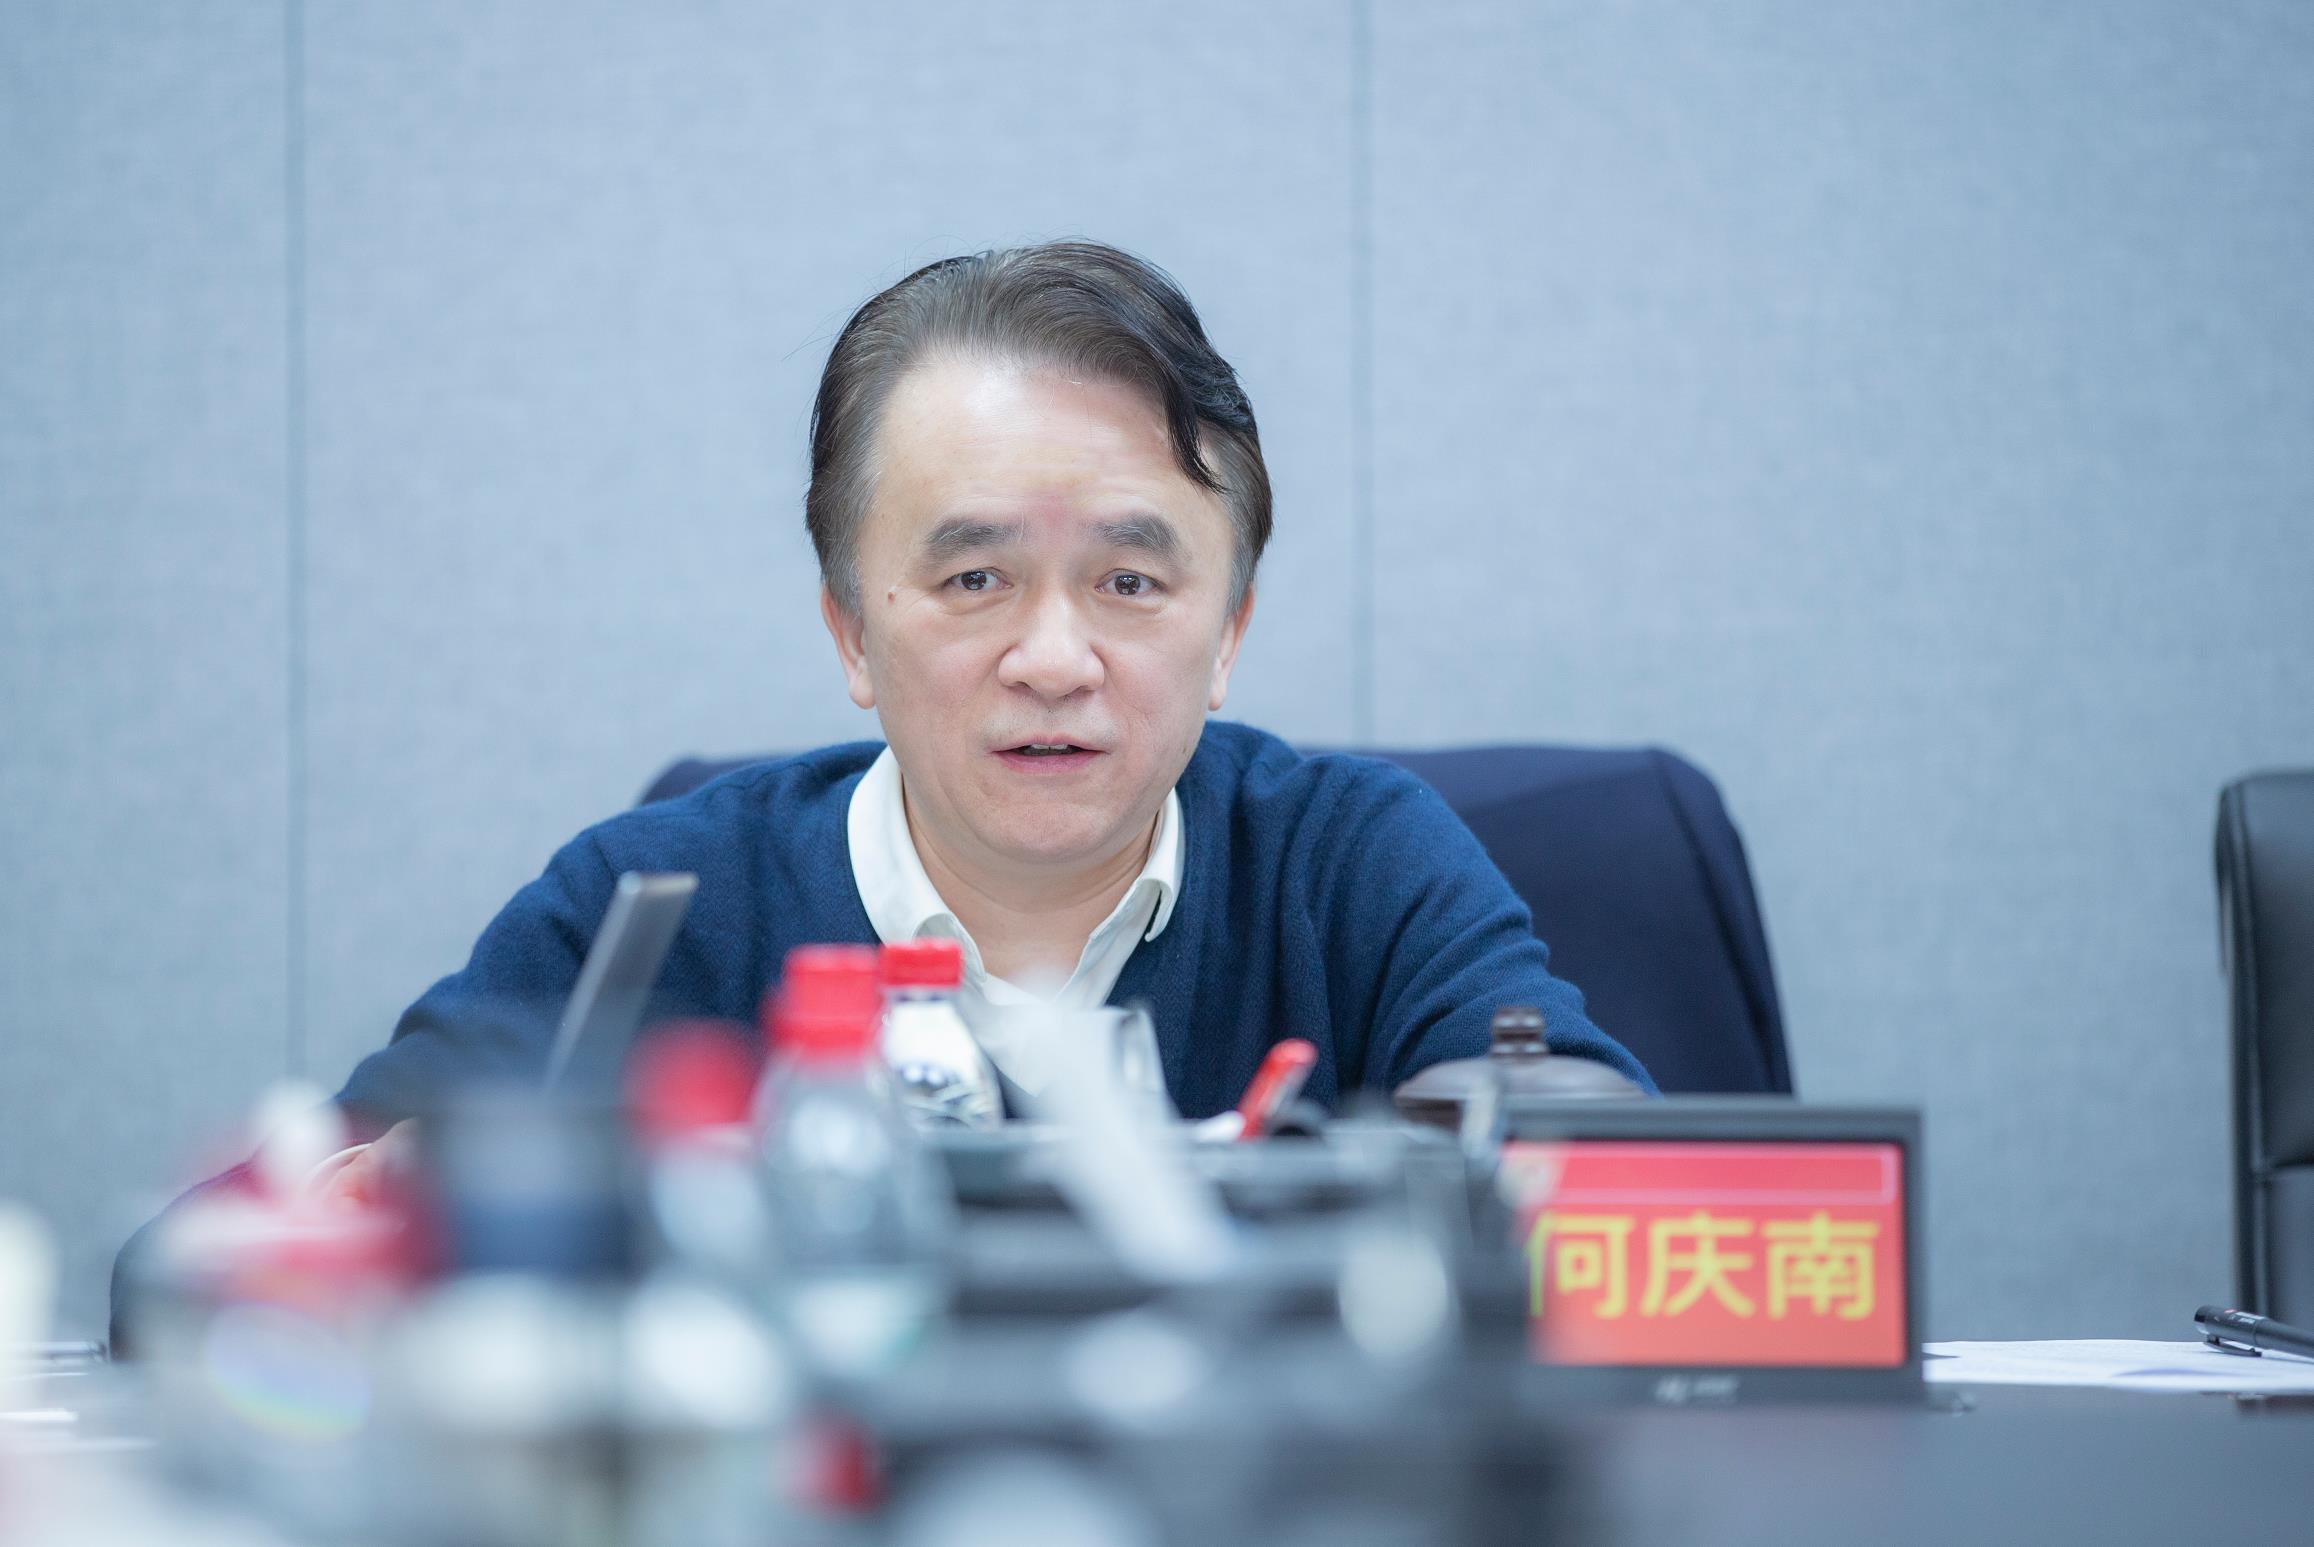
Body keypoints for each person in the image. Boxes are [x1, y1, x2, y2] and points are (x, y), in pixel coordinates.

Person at [312, 240, 1656, 1200]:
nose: (1054, 661)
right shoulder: (662, 904)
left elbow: (1638, 1201)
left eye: (1130, 583)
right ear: (852, 630)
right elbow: (253, 1240)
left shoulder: (1353, 868)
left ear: (1229, 633)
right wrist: (388, 1206)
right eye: (974, 581)